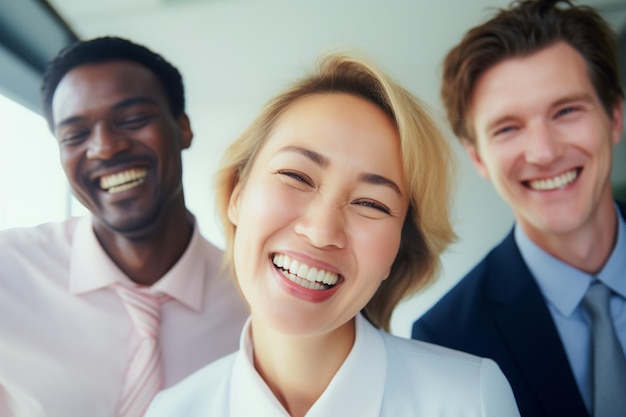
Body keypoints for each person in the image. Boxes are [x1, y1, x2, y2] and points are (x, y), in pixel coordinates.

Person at [143, 52, 521, 417]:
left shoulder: (470, 401)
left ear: (397, 250)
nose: (322, 231)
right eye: (297, 177)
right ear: (238, 194)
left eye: (371, 204)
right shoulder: (172, 411)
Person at [0, 37, 249, 417]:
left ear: (182, 128)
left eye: (132, 120)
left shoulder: (251, 301)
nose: (104, 147)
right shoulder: (8, 273)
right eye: (75, 135)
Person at [411, 1, 625, 416]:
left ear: (614, 117)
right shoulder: (445, 340)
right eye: (508, 128)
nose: (544, 153)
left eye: (566, 111)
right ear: (477, 157)